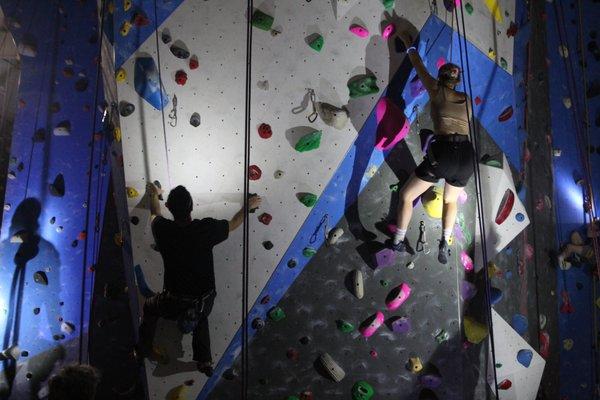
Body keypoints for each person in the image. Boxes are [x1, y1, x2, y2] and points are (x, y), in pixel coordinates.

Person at [137, 183, 261, 377]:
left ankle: (144, 347)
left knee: (150, 307)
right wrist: (248, 206)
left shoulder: (162, 230)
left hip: (173, 301)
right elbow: (233, 223)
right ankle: (204, 361)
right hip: (203, 300)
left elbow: (154, 214)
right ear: (192, 207)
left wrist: (154, 194)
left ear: (169, 207)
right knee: (201, 315)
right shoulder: (206, 229)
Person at [391, 32, 474, 264]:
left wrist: (410, 46)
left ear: (441, 78)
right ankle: (445, 244)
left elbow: (418, 66)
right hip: (467, 157)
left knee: (407, 195)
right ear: (457, 81)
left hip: (445, 154)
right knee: (450, 201)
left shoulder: (437, 90)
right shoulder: (466, 99)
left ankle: (397, 240)